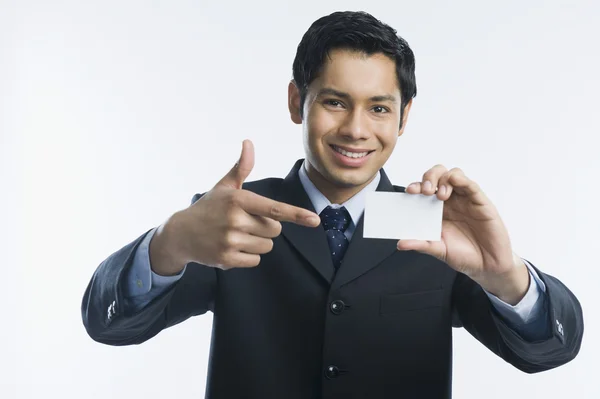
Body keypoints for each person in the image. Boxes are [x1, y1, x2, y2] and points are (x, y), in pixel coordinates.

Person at [81, 10, 583, 399]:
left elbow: (549, 352)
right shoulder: (235, 215)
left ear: (404, 117)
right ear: (298, 102)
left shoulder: (438, 227)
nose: (356, 130)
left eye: (379, 108)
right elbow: (110, 324)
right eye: (335, 102)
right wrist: (169, 242)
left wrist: (506, 277)